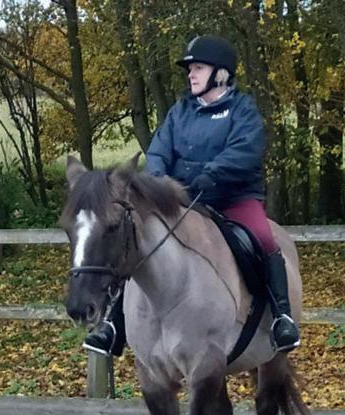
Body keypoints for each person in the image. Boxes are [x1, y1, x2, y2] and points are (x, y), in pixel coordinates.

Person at [83, 35, 300, 356]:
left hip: (234, 199)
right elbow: (159, 151)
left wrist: (211, 175)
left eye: (198, 68)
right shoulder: (180, 111)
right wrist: (159, 183)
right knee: (139, 239)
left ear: (220, 73)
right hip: (182, 199)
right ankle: (115, 324)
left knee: (264, 238)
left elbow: (245, 150)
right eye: (190, 69)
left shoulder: (242, 109)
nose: (191, 75)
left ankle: (282, 316)